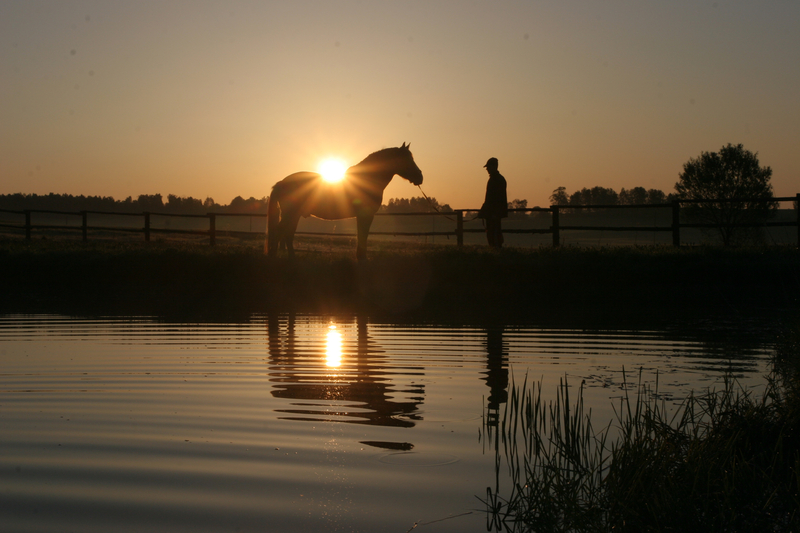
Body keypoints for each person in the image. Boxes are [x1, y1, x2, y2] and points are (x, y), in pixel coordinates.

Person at [477, 157, 508, 248]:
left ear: (494, 167)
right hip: (494, 212)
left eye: (488, 167)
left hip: (493, 213)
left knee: (493, 232)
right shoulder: (498, 179)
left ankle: (495, 249)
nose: (487, 169)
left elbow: (493, 198)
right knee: (494, 231)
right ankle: (496, 249)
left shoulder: (495, 180)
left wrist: (487, 211)